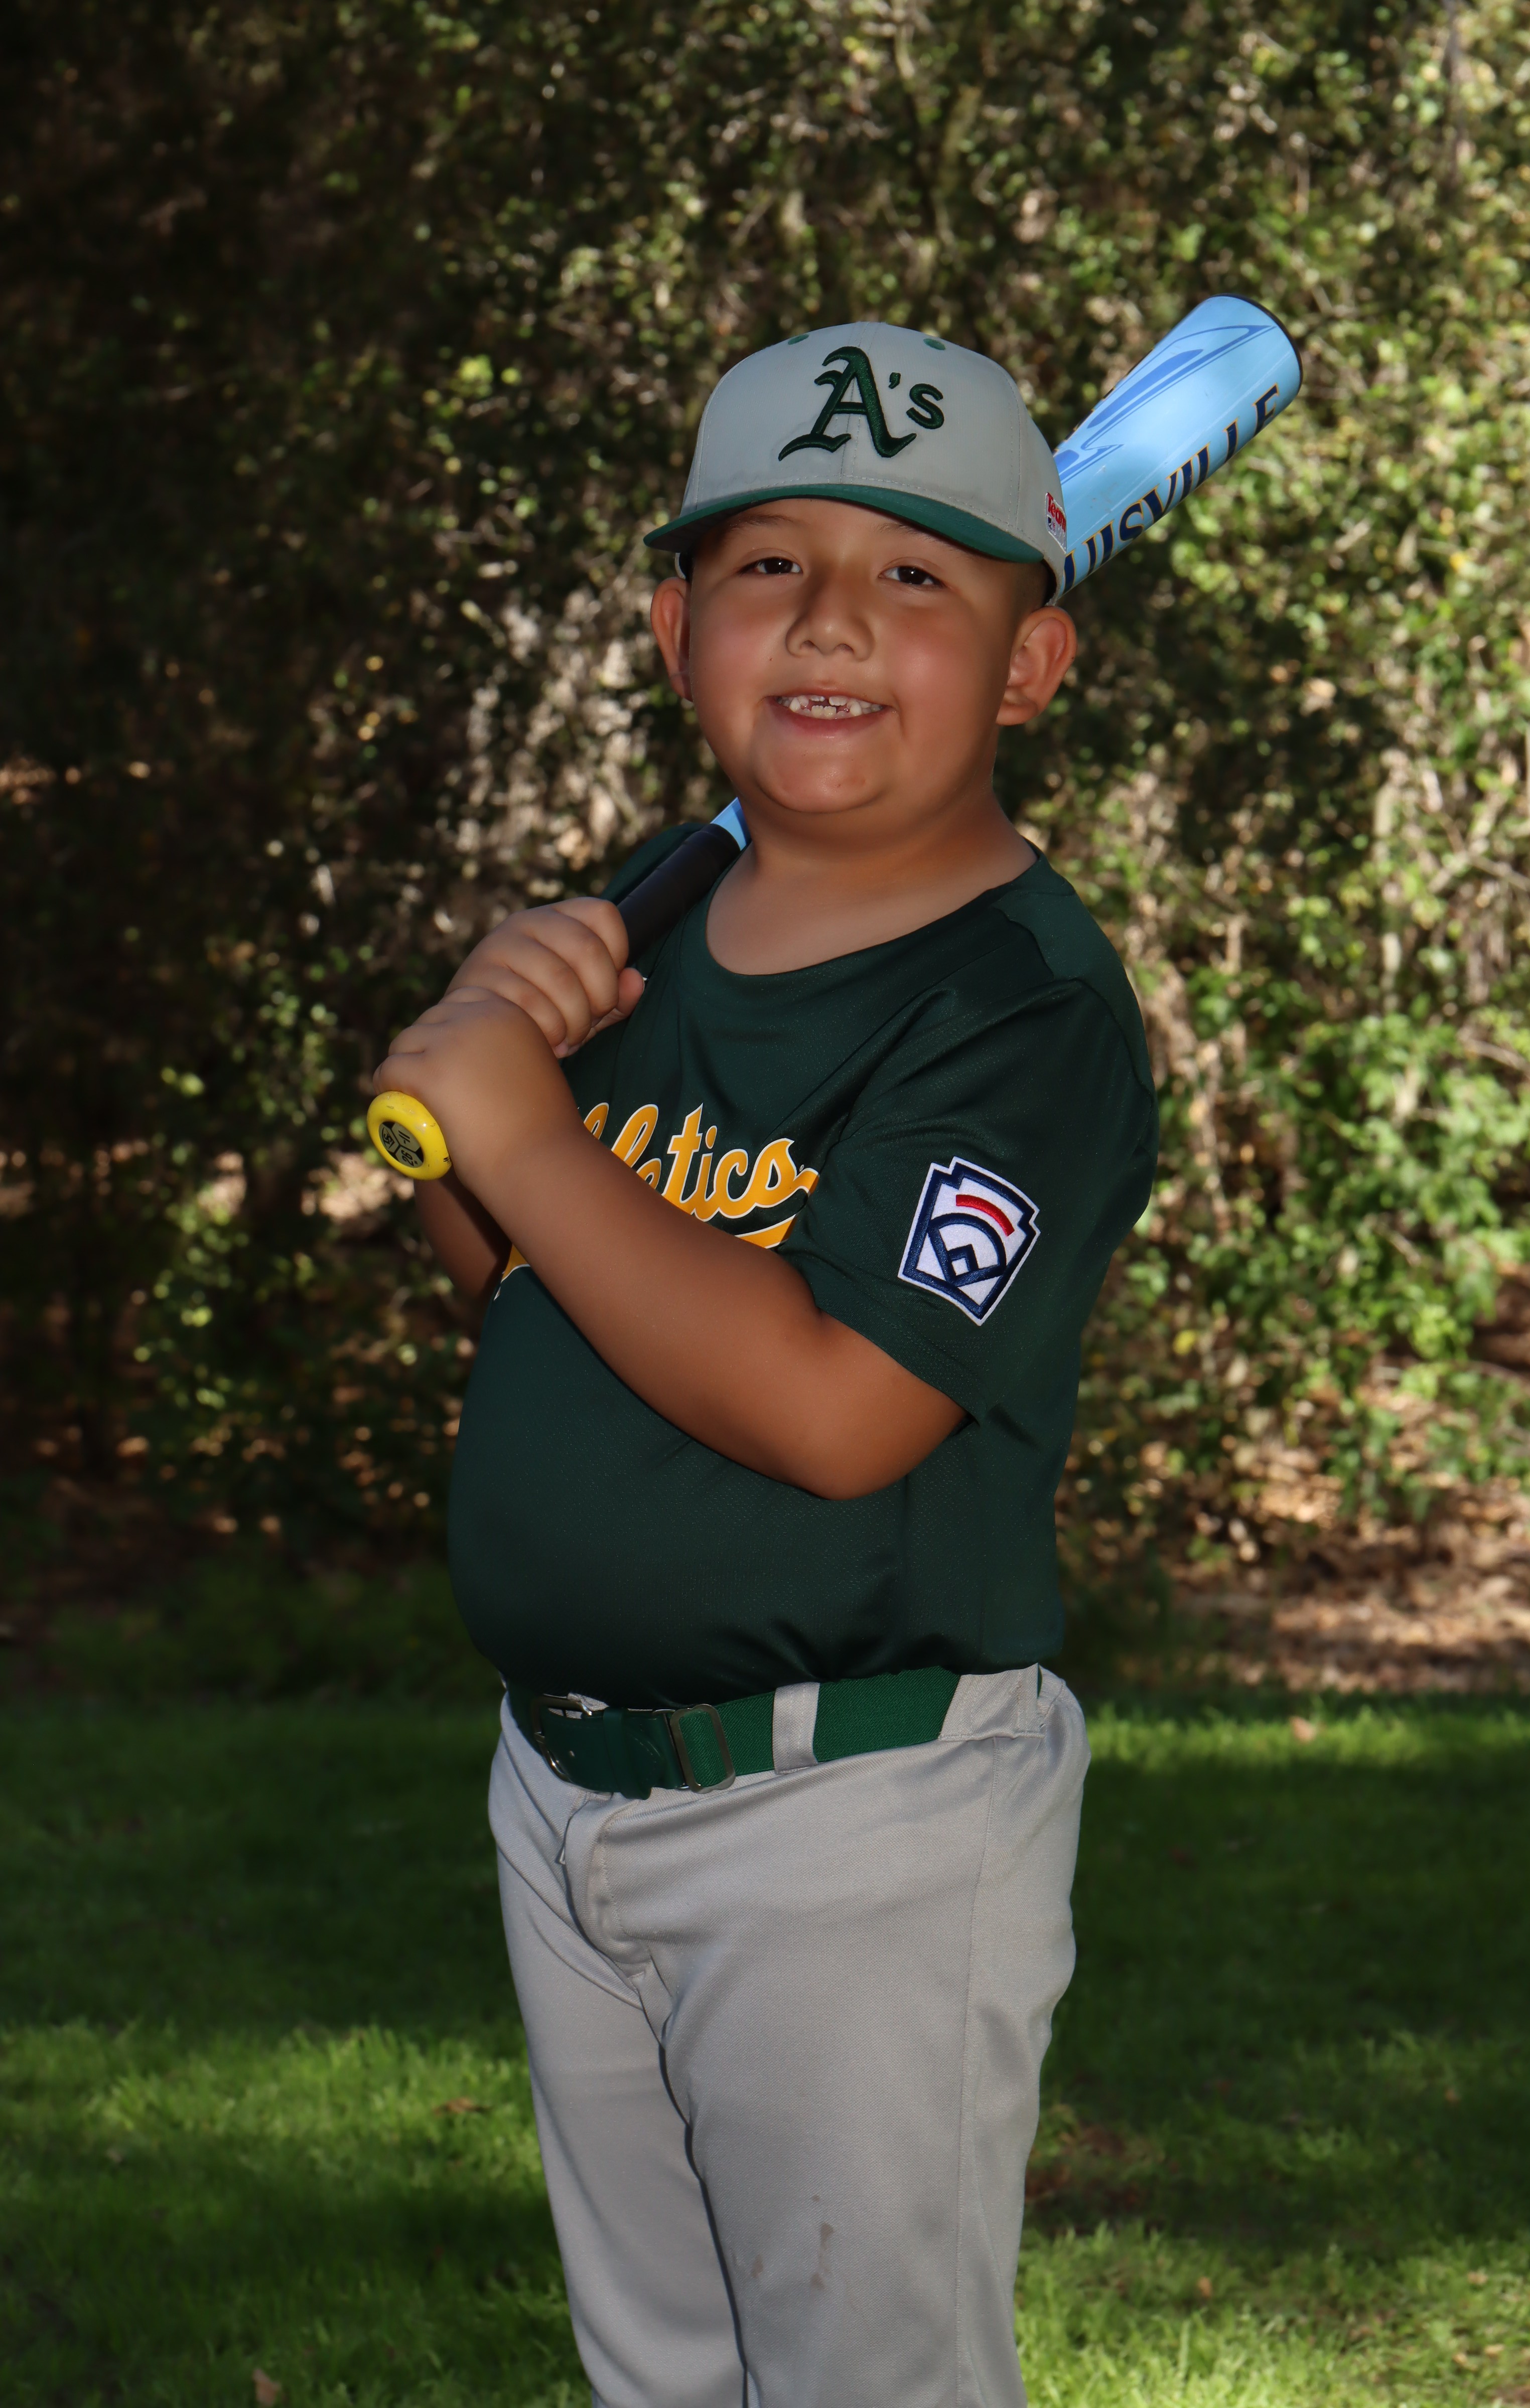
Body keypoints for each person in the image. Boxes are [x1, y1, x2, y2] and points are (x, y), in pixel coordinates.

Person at [376, 321, 1157, 2408]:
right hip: (572, 1783)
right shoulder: (661, 954)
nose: (831, 619)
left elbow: (836, 1411)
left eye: (915, 574)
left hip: (852, 1821)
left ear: (1028, 663)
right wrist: (492, 1081)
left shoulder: (1018, 1013)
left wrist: (528, 1137)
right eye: (768, 565)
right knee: (668, 2376)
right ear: (675, 631)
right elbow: (527, 1284)